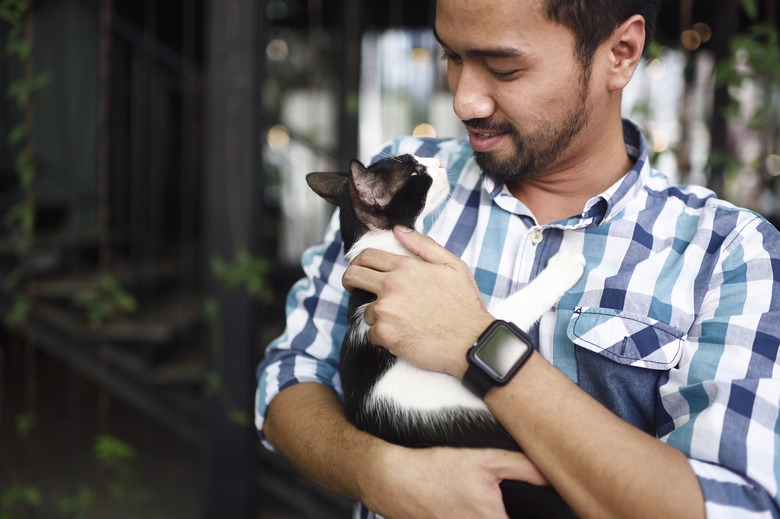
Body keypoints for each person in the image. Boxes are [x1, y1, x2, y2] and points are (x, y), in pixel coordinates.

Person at [255, 0, 780, 517]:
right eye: (452, 57)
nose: (464, 101)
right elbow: (289, 377)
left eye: (504, 68)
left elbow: (736, 508)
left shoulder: (730, 253)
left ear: (620, 53)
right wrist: (378, 471)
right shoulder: (398, 193)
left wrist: (479, 342)